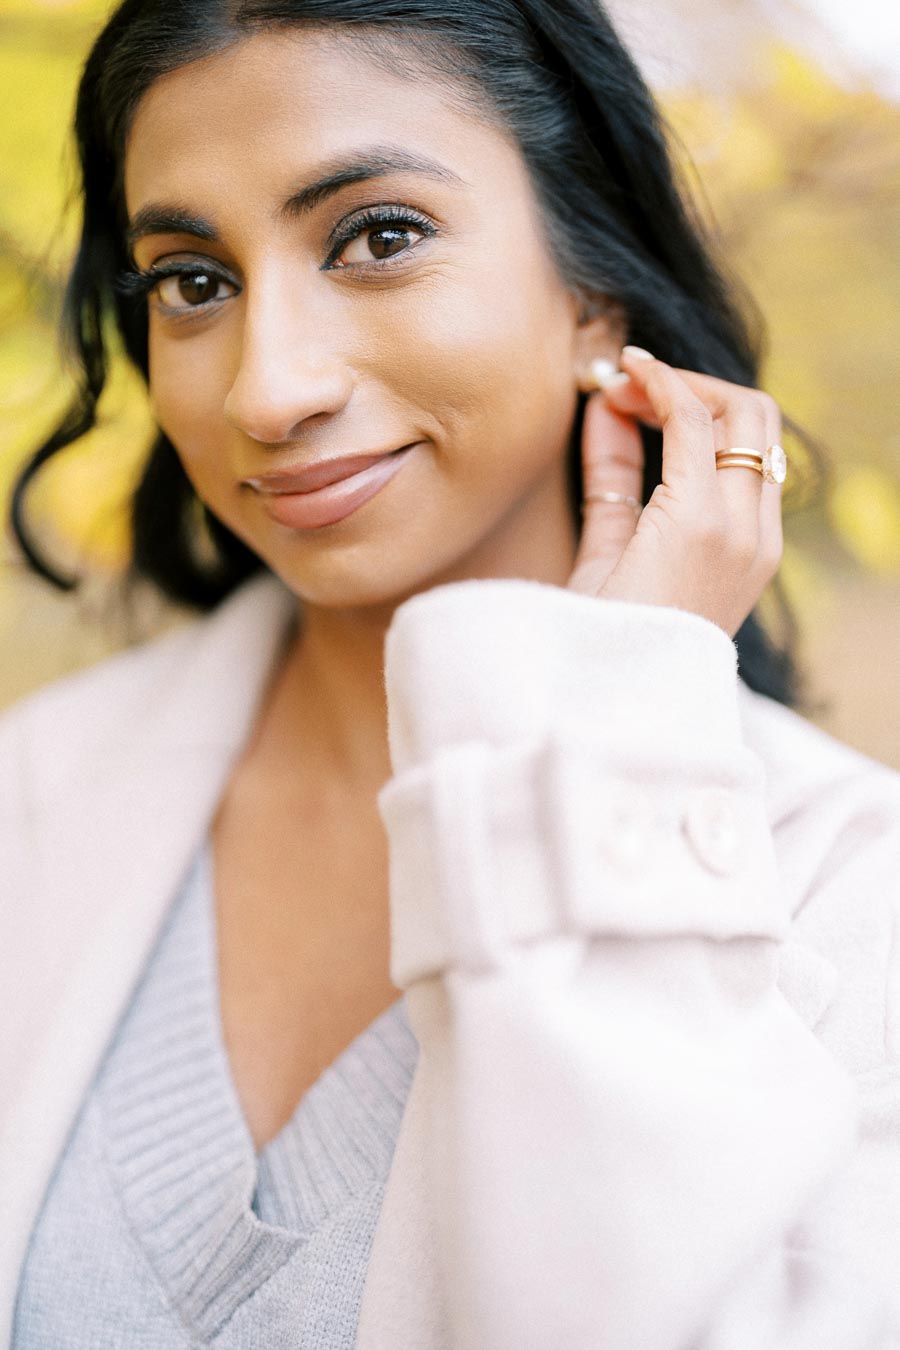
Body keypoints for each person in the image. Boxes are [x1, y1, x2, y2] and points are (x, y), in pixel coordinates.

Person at [2, 0, 899, 1345]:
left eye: (378, 237)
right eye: (193, 280)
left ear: (593, 292)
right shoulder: (30, 791)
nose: (267, 392)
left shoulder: (853, 890)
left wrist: (606, 744)